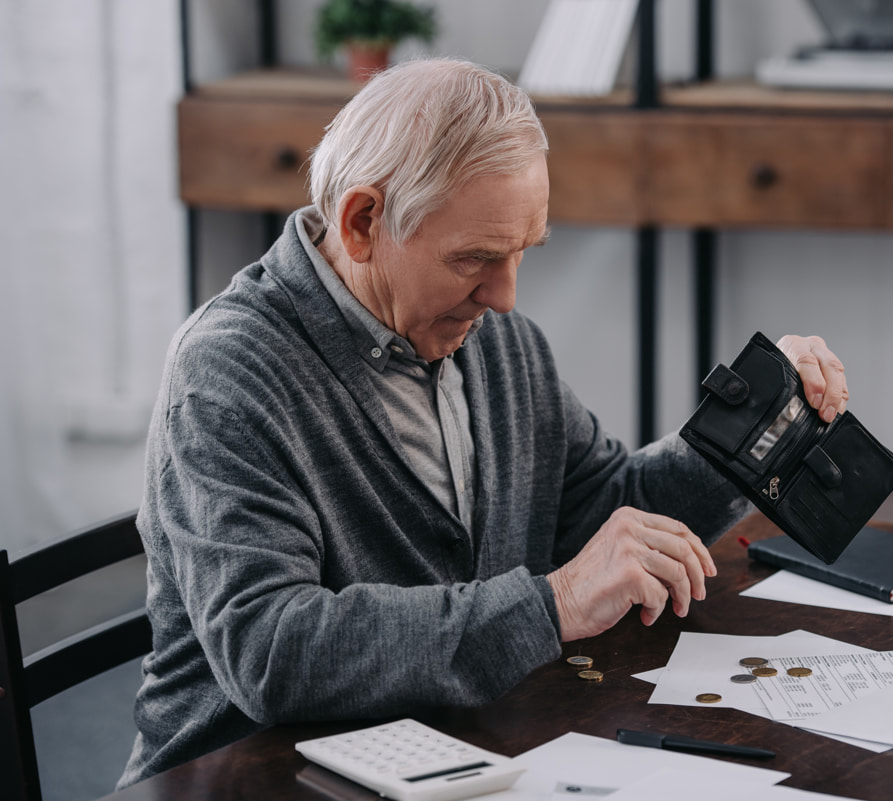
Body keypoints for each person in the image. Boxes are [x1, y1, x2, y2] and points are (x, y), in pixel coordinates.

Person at [118, 57, 848, 787]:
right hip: (251, 778)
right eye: (475, 258)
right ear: (363, 222)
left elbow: (600, 517)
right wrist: (553, 604)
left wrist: (758, 425)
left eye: (523, 252)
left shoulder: (496, 341)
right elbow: (273, 652)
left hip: (450, 756)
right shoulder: (227, 374)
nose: (504, 296)